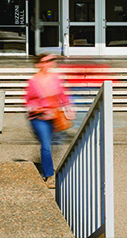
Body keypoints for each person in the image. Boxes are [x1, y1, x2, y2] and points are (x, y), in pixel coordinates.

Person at [24, 54, 73, 188]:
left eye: (51, 60)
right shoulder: (33, 82)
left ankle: (43, 163)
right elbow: (28, 102)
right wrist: (39, 108)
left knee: (54, 145)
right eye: (45, 61)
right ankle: (48, 176)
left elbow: (63, 95)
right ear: (38, 64)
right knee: (46, 145)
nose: (49, 63)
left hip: (55, 117)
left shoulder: (55, 79)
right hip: (39, 119)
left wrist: (69, 108)